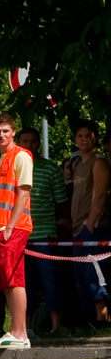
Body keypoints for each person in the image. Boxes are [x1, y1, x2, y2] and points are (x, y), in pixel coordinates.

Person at [0, 114, 33, 349]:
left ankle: (19, 332)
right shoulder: (2, 159)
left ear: (13, 132)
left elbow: (24, 194)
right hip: (0, 227)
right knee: (9, 280)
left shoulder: (20, 156)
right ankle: (17, 332)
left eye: (5, 131)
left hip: (11, 227)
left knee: (13, 280)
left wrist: (10, 227)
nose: (1, 135)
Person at [17, 127, 68, 333]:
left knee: (50, 281)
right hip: (20, 234)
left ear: (39, 143)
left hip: (45, 233)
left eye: (33, 141)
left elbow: (61, 201)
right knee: (24, 284)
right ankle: (25, 327)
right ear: (19, 144)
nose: (29, 145)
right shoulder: (13, 168)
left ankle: (57, 327)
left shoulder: (50, 168)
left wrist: (62, 222)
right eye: (25, 141)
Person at [66, 119, 111, 325]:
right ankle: (88, 323)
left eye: (88, 135)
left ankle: (102, 321)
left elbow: (100, 194)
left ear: (95, 138)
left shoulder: (98, 162)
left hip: (94, 228)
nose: (84, 139)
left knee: (96, 275)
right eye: (80, 135)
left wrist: (90, 223)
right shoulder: (77, 164)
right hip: (77, 229)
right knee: (82, 276)